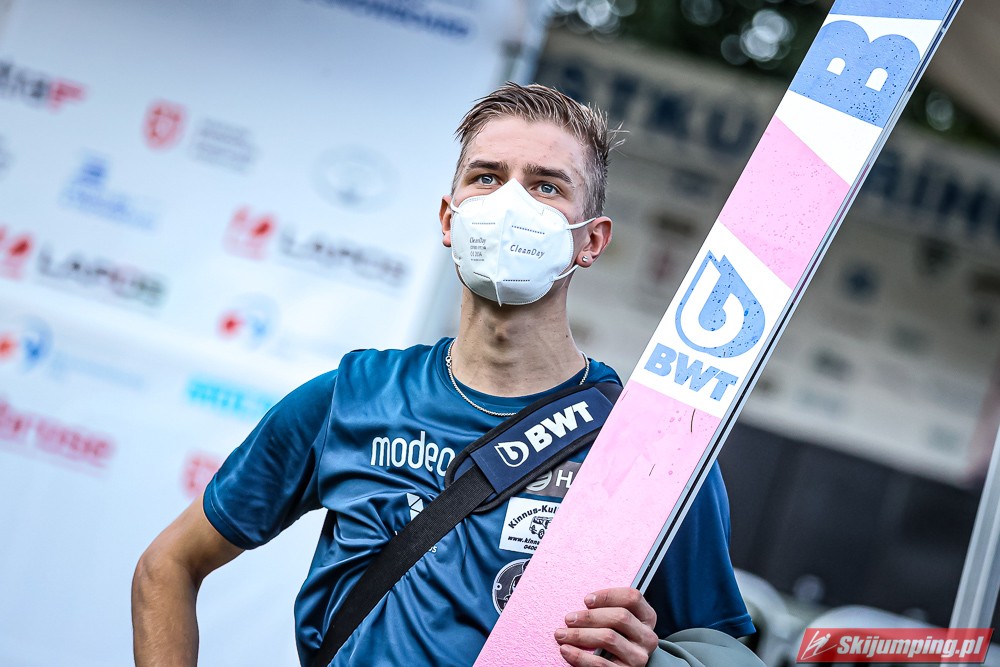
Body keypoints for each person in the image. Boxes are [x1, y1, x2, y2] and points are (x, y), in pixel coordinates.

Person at [132, 82, 759, 667]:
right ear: (448, 218)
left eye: (546, 187)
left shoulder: (651, 451)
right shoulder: (353, 397)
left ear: (591, 241)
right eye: (486, 177)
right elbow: (167, 567)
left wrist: (651, 660)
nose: (509, 204)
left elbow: (717, 650)